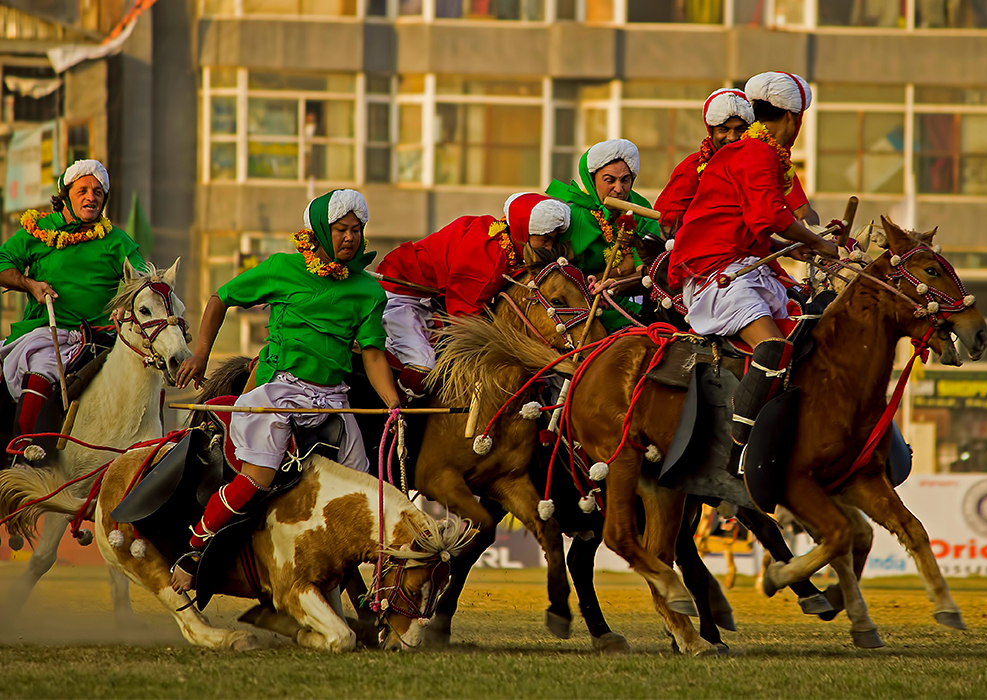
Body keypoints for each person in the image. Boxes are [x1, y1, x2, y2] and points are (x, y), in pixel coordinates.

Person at [171, 189, 401, 592]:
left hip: (333, 400)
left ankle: (367, 590)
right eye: (342, 230)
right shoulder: (282, 268)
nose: (351, 237)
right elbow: (220, 298)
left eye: (357, 230)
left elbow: (373, 355)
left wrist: (393, 403)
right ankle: (194, 552)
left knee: (362, 491)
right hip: (279, 393)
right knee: (258, 477)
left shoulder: (369, 290)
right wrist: (202, 354)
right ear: (320, 232)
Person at [668, 71, 840, 446]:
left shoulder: (757, 154)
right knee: (775, 349)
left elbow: (758, 226)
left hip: (741, 268)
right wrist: (818, 244)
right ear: (794, 119)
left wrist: (797, 245)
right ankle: (741, 447)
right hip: (716, 275)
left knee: (806, 327)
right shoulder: (756, 153)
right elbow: (770, 217)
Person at [0, 159, 144, 442]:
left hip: (101, 338)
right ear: (65, 197)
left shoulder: (117, 240)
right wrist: (30, 284)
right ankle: (24, 447)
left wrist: (124, 306)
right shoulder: (37, 230)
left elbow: (143, 279)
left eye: (98, 192)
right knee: (41, 367)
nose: (92, 197)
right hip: (49, 332)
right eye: (83, 191)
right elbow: (2, 263)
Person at [376, 192, 571, 398]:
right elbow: (464, 322)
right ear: (523, 231)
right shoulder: (486, 260)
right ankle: (399, 418)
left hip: (435, 300)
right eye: (545, 240)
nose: (549, 247)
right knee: (423, 367)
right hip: (400, 294)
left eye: (553, 240)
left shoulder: (508, 242)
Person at [656, 88, 820, 236]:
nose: (732, 138)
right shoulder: (691, 168)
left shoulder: (769, 163)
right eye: (724, 129)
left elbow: (803, 212)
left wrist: (811, 235)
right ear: (711, 131)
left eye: (740, 129)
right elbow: (665, 227)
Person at [546, 139, 661, 331]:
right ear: (592, 180)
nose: (619, 189)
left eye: (625, 180)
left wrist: (617, 282)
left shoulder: (642, 212)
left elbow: (648, 270)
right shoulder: (571, 218)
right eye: (610, 181)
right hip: (579, 314)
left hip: (634, 312)